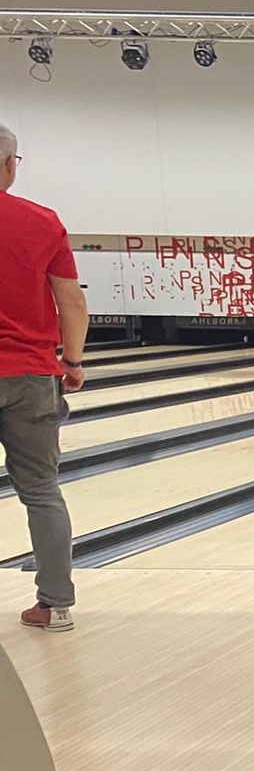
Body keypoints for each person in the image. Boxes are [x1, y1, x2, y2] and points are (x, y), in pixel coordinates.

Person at [0, 121, 86, 633]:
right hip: (31, 374)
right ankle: (55, 605)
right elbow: (70, 299)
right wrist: (71, 362)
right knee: (41, 489)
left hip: (28, 370)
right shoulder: (41, 221)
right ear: (10, 165)